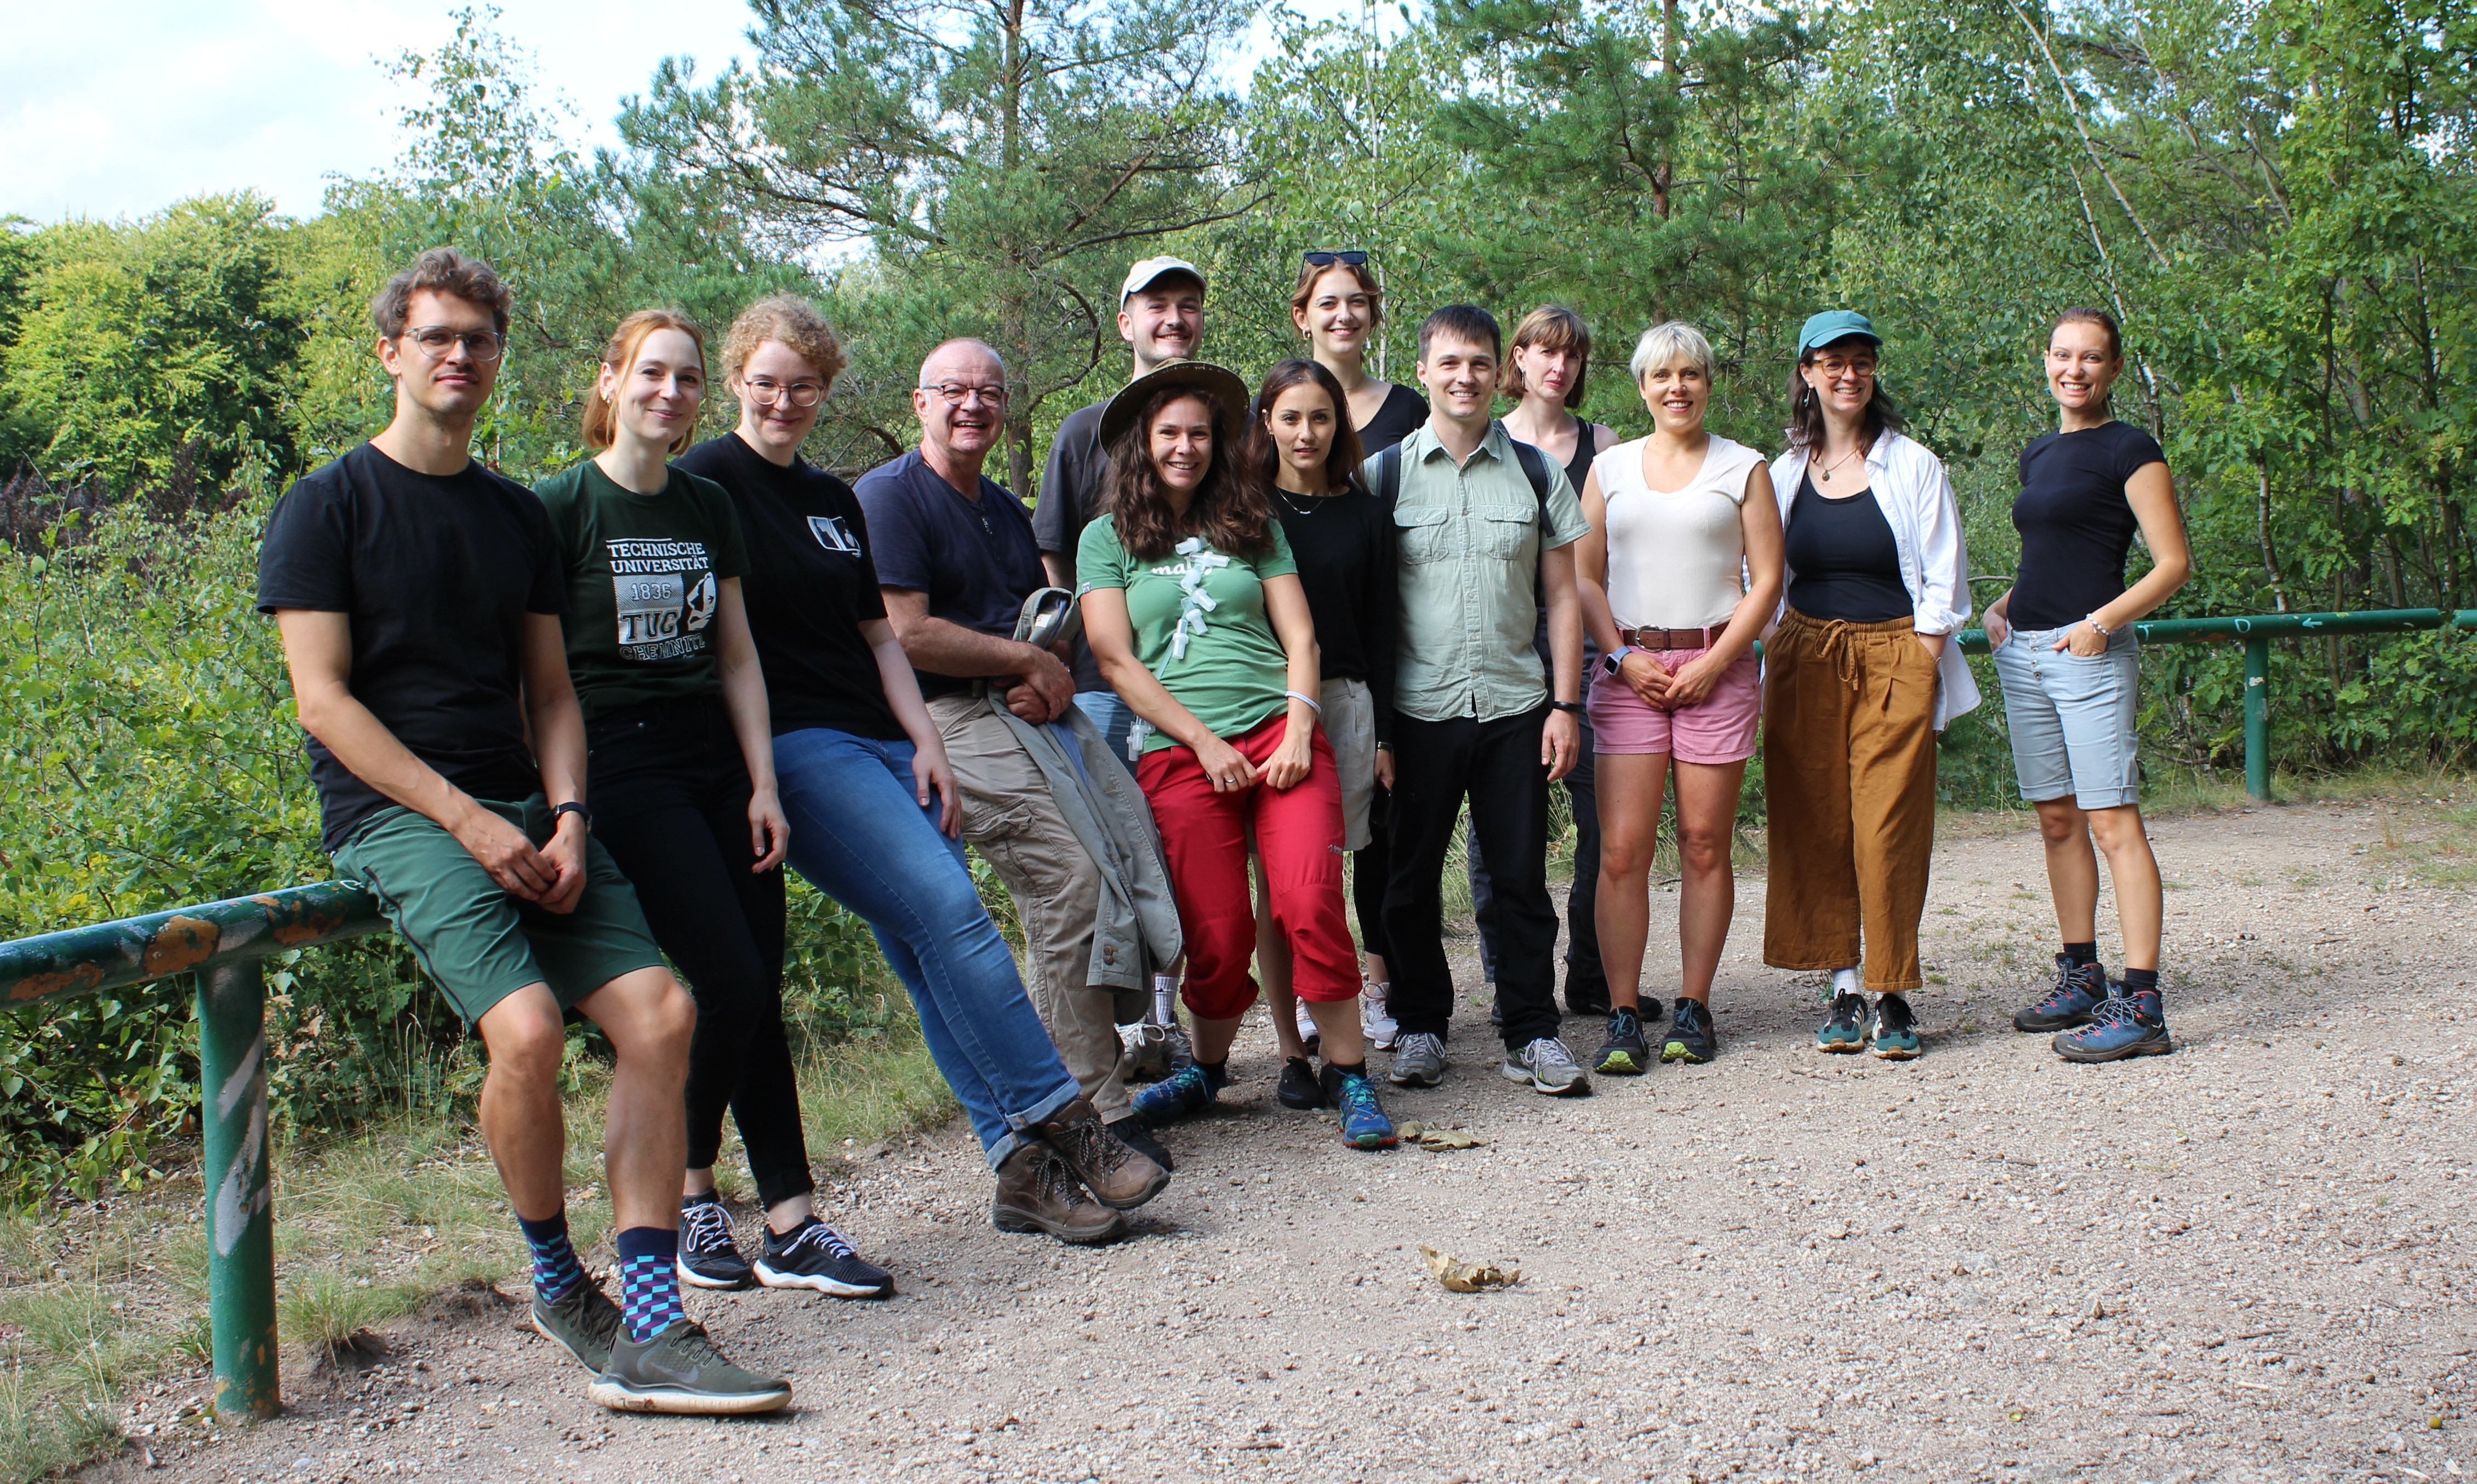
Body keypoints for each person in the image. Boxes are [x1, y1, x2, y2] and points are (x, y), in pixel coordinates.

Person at [258, 250, 785, 1414]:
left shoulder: (513, 515)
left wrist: (566, 815)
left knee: (665, 1010)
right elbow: (324, 702)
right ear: (392, 351)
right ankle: (559, 1278)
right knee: (531, 1027)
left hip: (528, 803)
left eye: (479, 339)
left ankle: (651, 1314)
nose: (460, 356)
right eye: (437, 336)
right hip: (398, 812)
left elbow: (553, 692)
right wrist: (467, 823)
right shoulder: (327, 505)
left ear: (500, 357)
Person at [677, 301, 1167, 1247]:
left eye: (805, 383)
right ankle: (1069, 1123)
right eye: (767, 381)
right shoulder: (706, 486)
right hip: (793, 745)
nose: (786, 399)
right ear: (737, 380)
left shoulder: (829, 499)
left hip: (883, 737)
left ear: (826, 389)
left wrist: (924, 740)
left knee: (921, 948)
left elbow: (876, 636)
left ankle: (1019, 1168)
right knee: (954, 916)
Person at [535, 307, 893, 1295]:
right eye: (652, 373)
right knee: (726, 981)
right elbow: (537, 675)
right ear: (611, 382)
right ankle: (693, 1198)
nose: (670, 393)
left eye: (686, 378)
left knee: (758, 988)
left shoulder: (704, 507)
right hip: (626, 764)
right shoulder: (560, 508)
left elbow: (736, 653)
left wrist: (764, 783)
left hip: (720, 759)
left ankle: (789, 1218)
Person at [859, 336, 1184, 1178]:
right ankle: (1092, 1103)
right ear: (920, 404)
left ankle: (1115, 1059)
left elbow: (1036, 617)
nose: (973, 405)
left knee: (1127, 857)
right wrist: (1022, 666)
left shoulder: (1000, 507)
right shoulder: (892, 498)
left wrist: (1047, 673)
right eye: (954, 391)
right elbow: (908, 631)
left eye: (990, 394)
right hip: (940, 718)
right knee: (1066, 879)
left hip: (1020, 709)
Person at [1076, 362, 1397, 1151]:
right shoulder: (1105, 538)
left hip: (1280, 736)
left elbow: (1301, 637)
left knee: (1310, 899)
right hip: (1184, 752)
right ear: (1142, 446)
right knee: (1214, 930)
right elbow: (1115, 660)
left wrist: (1297, 729)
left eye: (1198, 433)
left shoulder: (1252, 519)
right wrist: (1204, 742)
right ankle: (1210, 1069)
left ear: (1218, 444)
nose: (1185, 447)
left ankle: (1348, 1073)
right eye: (1169, 434)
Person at [1371, 305, 1594, 1097]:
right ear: (1424, 371)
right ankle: (1423, 1026)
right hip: (1418, 714)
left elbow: (1564, 600)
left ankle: (1531, 1032)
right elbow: (1364, 608)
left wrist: (1565, 706)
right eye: (1449, 363)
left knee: (1520, 882)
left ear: (1500, 371)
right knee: (1408, 882)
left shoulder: (1534, 472)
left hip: (1514, 710)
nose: (1464, 377)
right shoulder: (1384, 474)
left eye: (1479, 363)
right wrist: (1375, 729)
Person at [1762, 310, 1981, 1060]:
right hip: (1807, 656)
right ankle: (1844, 986)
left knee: (1887, 826)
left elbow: (1946, 581)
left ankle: (1893, 993)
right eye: (1832, 362)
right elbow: (1761, 578)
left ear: (1873, 372)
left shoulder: (1913, 464)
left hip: (1895, 653)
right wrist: (1776, 646)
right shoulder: (1782, 472)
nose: (1847, 374)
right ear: (1807, 373)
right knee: (1816, 822)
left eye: (1861, 361)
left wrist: (1921, 659)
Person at [1574, 322, 1783, 1074]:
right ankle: (1624, 1012)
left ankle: (1694, 1006)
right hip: (1631, 669)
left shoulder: (1744, 467)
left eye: (1691, 373)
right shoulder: (1612, 467)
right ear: (1641, 387)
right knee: (1623, 852)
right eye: (1662, 376)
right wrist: (1621, 656)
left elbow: (1767, 581)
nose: (1677, 388)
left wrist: (1719, 660)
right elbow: (1586, 575)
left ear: (1708, 382)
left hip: (1717, 667)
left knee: (1703, 842)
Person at [1984, 308, 2191, 1062]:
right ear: (2046, 360)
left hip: (2088, 655)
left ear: (2114, 368)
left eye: (2092, 358)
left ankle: (2143, 1006)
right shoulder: (2040, 454)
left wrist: (2100, 623)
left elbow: (2172, 564)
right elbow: (2057, 548)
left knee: (2112, 823)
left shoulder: (2130, 449)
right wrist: (2005, 602)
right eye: (2063, 356)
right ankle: (2081, 976)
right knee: (2058, 822)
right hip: (2026, 650)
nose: (2075, 369)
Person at [1242, 358, 1400, 1109]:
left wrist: (1384, 735)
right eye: (1291, 417)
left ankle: (1341, 1032)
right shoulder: (1240, 510)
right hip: (1256, 705)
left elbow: (1382, 630)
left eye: (1322, 418)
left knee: (1321, 879)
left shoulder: (1366, 515)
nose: (1306, 432)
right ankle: (1288, 1045)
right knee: (1274, 888)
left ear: (1340, 426)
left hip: (1342, 702)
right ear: (1266, 421)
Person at [1289, 250, 1424, 1037]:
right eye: (1327, 302)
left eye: (1358, 302)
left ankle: (1375, 986)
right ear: (1303, 315)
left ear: (1375, 314)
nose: (1344, 315)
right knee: (1300, 846)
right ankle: (1312, 991)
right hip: (1285, 663)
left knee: (1372, 833)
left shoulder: (1410, 409)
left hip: (1376, 650)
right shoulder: (1276, 402)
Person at [1486, 305, 1622, 1021]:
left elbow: (1617, 554)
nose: (1558, 367)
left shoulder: (1606, 445)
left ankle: (1592, 973)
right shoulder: (1486, 439)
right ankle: (1507, 973)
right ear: (1519, 358)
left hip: (1590, 650)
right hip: (1505, 646)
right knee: (1507, 824)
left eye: (1570, 355)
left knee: (1603, 819)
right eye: (1544, 351)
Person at [1036, 256, 1211, 762]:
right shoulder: (1083, 433)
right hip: (1103, 683)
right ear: (1126, 325)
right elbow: (1054, 553)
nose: (1175, 319)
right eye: (1157, 306)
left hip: (1210, 685)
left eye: (1188, 307)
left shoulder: (1229, 431)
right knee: (1110, 830)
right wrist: (1065, 650)